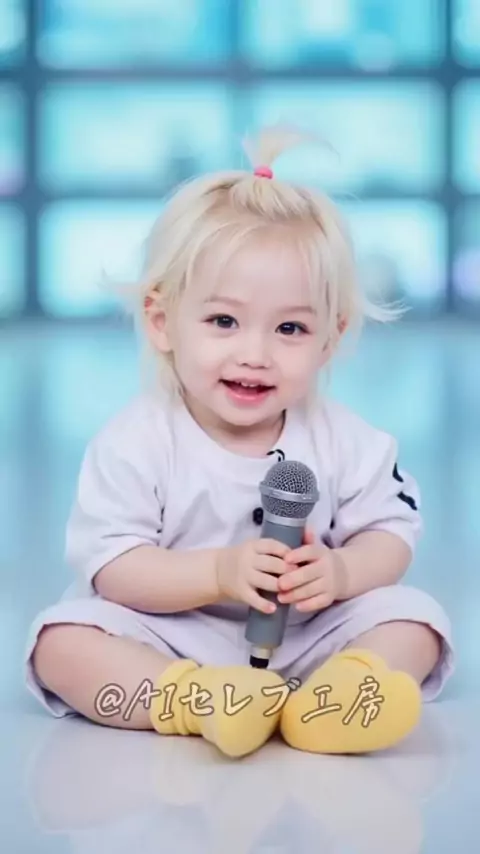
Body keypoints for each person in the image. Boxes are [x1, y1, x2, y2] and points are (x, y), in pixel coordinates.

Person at [24, 127, 453, 759]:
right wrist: (217, 573)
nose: (255, 353)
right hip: (173, 638)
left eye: (290, 328)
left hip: (307, 638)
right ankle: (198, 701)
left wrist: (341, 571)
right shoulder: (135, 442)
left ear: (330, 339)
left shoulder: (352, 441)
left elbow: (391, 535)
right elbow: (113, 569)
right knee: (61, 642)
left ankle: (333, 699)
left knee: (415, 621)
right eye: (223, 321)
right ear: (162, 322)